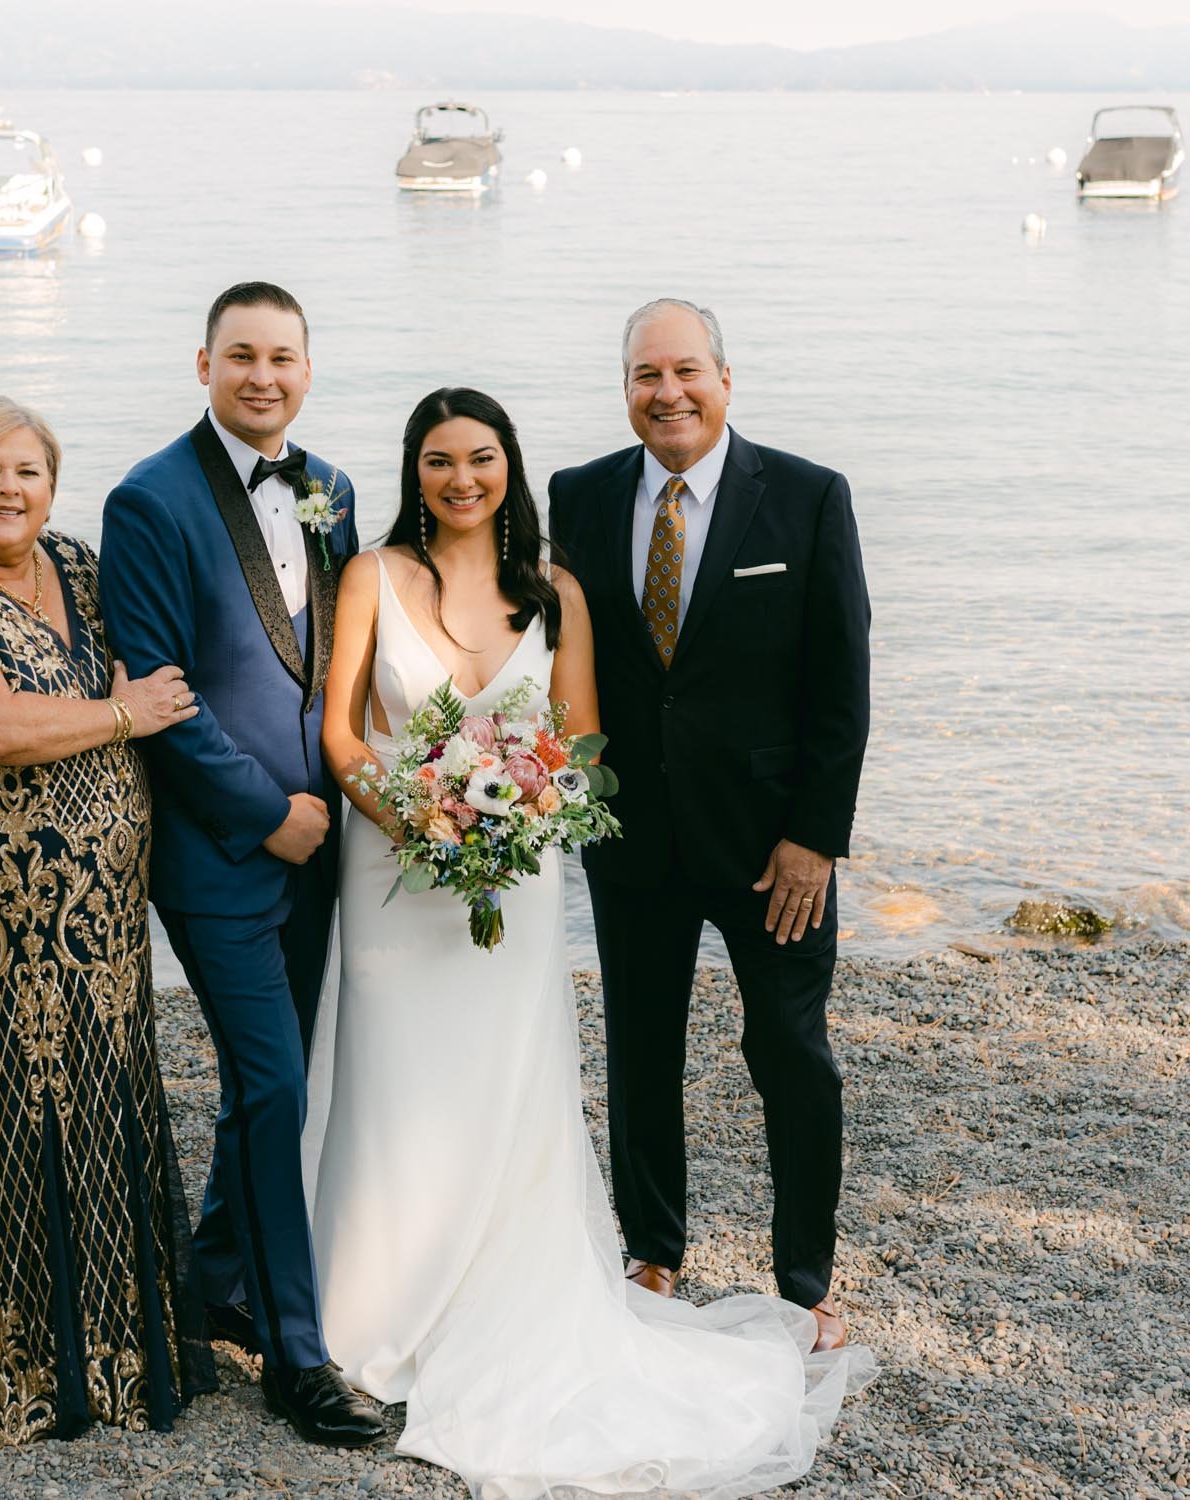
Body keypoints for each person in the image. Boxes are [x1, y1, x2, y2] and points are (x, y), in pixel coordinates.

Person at [306, 385, 868, 1495]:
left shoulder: (556, 592)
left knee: (516, 1085)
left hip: (512, 885)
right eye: (436, 461)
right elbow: (339, 732)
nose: (461, 479)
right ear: (412, 471)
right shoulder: (370, 577)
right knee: (397, 1079)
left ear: (510, 468)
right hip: (392, 874)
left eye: (480, 458)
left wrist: (511, 813)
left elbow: (580, 737)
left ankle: (749, 1280)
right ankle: (377, 1299)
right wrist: (420, 813)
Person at [0, 395, 215, 1444]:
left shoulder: (81, 565)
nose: (10, 490)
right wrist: (120, 715)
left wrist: (129, 705)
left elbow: (156, 655)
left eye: (28, 470)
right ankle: (3, 1371)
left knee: (102, 1105)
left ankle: (112, 1357)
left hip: (98, 915)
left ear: (52, 485)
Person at [547, 298, 872, 1353]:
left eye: (686, 371)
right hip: (632, 836)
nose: (668, 393)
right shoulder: (580, 496)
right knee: (642, 1049)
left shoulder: (811, 497)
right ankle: (654, 1249)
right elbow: (561, 655)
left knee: (791, 1052)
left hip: (772, 845)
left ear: (727, 380)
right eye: (646, 375)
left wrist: (816, 836)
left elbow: (842, 681)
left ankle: (805, 1275)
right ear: (626, 389)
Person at [97, 283, 383, 1448]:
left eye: (283, 358)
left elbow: (338, 663)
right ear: (203, 363)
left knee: (289, 1075)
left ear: (308, 368)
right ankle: (296, 1354)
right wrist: (268, 815)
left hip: (326, 842)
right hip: (220, 852)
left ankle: (217, 1271)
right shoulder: (149, 500)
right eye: (242, 357)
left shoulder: (334, 488)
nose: (263, 376)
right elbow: (162, 698)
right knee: (271, 1085)